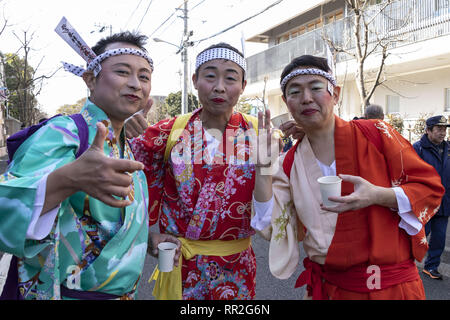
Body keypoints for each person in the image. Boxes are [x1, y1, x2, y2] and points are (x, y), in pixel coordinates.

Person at [0, 24, 179, 300]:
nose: (135, 83)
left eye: (144, 76)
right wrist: (68, 179)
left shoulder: (125, 147)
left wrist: (144, 242)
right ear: (90, 80)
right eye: (122, 71)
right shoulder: (63, 134)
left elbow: (104, 228)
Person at [252, 54, 445, 300]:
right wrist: (262, 168)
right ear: (285, 102)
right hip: (330, 289)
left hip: (394, 290)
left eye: (316, 87)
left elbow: (430, 189)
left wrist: (379, 195)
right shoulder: (288, 164)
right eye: (295, 92)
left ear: (336, 94)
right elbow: (271, 224)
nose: (307, 98)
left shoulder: (376, 134)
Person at [127, 43, 260, 300]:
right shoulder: (168, 132)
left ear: (243, 85)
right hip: (180, 263)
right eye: (210, 76)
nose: (219, 86)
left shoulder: (259, 134)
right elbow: (120, 172)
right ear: (195, 80)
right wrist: (122, 129)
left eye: (230, 78)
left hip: (237, 269)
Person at [413, 115, 450, 280]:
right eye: (439, 129)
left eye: (444, 129)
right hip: (425, 203)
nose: (442, 133)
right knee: (419, 236)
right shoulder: (417, 149)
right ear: (428, 130)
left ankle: (431, 267)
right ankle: (405, 264)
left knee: (439, 238)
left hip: (444, 202)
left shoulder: (449, 149)